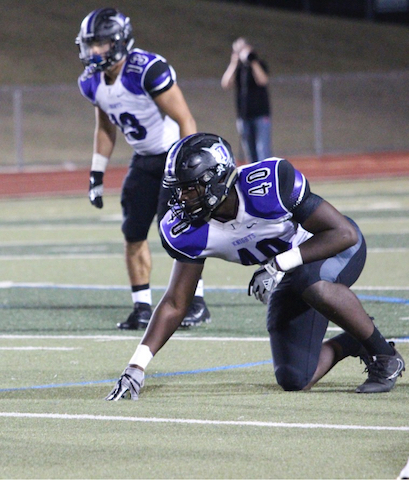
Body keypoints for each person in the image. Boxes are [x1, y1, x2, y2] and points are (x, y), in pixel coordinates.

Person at [106, 133, 404, 400]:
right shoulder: (188, 229)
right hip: (289, 273)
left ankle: (385, 357)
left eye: (190, 189)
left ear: (216, 180)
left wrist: (278, 264)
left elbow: (343, 234)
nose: (181, 199)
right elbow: (175, 302)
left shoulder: (268, 185)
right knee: (295, 379)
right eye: (178, 190)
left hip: (331, 250)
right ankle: (354, 339)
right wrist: (137, 365)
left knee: (310, 284)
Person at [76, 7, 210, 330]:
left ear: (119, 42)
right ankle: (142, 308)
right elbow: (106, 127)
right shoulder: (92, 82)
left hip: (171, 156)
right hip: (143, 158)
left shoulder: (146, 69)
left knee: (179, 231)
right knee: (133, 232)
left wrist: (186, 167)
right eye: (90, 43)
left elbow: (185, 119)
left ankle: (196, 302)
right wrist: (97, 173)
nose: (93, 51)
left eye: (101, 44)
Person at [220, 37, 272, 164]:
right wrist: (234, 63)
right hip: (243, 116)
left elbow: (263, 80)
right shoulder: (238, 69)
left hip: (261, 114)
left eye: (243, 49)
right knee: (250, 152)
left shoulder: (259, 64)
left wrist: (252, 61)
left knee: (263, 150)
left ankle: (267, 176)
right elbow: (225, 84)